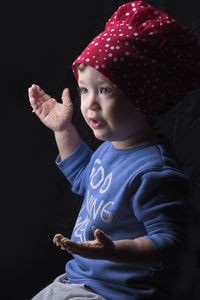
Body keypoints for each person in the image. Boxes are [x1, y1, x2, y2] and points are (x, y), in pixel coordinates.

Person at [28, 1, 200, 299]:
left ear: (142, 98)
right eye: (84, 89)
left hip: (115, 292)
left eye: (105, 90)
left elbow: (172, 243)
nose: (89, 104)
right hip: (79, 278)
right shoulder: (110, 148)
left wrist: (115, 251)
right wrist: (64, 130)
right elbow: (84, 176)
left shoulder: (154, 172)